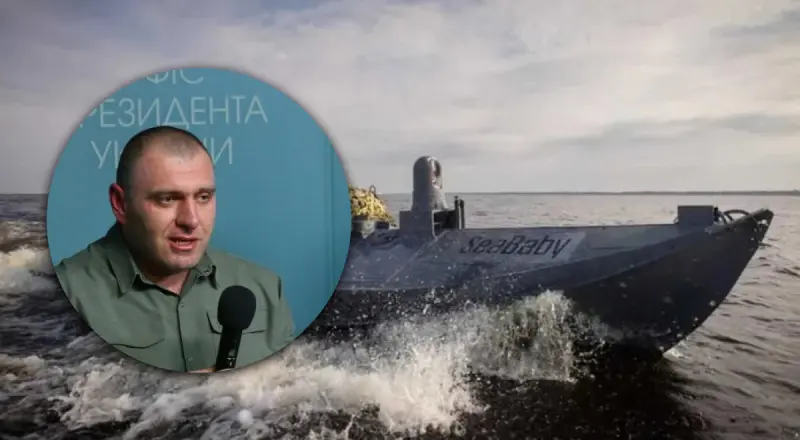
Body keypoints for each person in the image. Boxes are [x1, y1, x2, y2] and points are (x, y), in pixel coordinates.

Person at [54, 125, 295, 373]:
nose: (191, 220)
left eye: (203, 197)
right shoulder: (66, 294)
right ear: (121, 204)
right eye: (167, 199)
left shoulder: (265, 288)